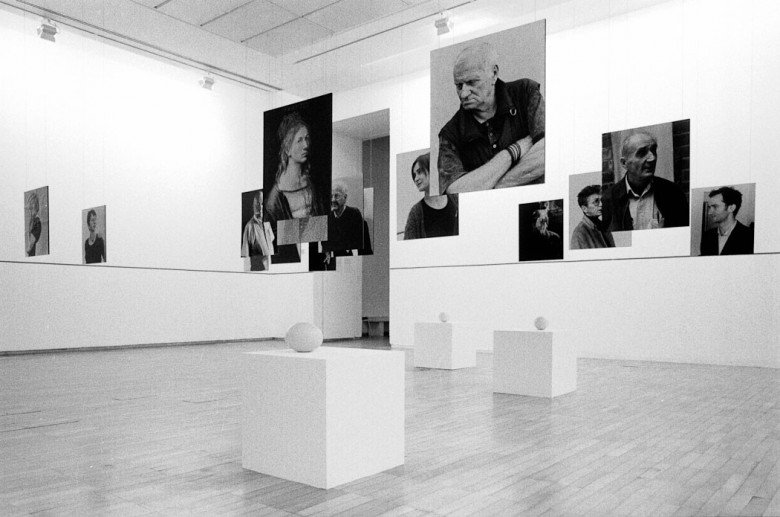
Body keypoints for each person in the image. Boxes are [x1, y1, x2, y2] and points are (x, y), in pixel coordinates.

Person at [438, 41, 545, 194]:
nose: (463, 93)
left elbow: (546, 153)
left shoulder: (525, 92)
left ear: (494, 74)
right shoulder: (450, 133)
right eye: (459, 85)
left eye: (471, 82)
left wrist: (493, 186)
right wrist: (512, 152)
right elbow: (455, 192)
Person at [264, 112, 327, 262]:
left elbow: (323, 225)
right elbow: (276, 241)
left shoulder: (312, 184)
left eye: (307, 139)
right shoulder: (275, 199)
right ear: (287, 149)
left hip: (315, 257)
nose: (306, 145)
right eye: (299, 140)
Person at [602, 130, 688, 231]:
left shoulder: (673, 193)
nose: (652, 158)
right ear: (624, 163)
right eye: (642, 153)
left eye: (653, 150)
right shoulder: (608, 200)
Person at [403, 153, 458, 240]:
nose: (416, 179)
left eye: (419, 172)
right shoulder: (416, 212)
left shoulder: (456, 199)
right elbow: (408, 244)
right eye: (414, 175)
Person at [700, 186, 754, 256]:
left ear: (731, 208)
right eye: (709, 207)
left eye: (715, 207)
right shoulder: (707, 237)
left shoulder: (750, 237)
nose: (709, 212)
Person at [322, 182, 370, 256]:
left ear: (345, 197)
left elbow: (362, 245)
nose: (333, 200)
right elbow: (325, 247)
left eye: (337, 196)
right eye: (331, 196)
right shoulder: (328, 218)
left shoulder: (354, 214)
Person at [571, 185, 615, 249]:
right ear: (584, 209)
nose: (601, 204)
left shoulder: (604, 227)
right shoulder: (579, 233)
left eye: (601, 200)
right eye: (596, 201)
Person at [241, 191, 274, 271]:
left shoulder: (267, 223)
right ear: (253, 206)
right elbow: (245, 257)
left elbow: (271, 242)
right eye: (257, 204)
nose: (260, 207)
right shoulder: (249, 227)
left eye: (262, 204)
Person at [25, 192, 42, 257]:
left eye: (31, 209)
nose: (30, 212)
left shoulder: (37, 222)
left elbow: (29, 248)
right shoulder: (32, 220)